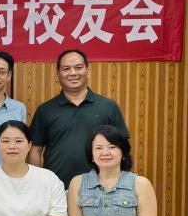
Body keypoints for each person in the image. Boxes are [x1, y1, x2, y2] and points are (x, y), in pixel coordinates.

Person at [28, 48, 129, 187]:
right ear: (58, 75)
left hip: (101, 188)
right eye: (66, 69)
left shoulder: (108, 106)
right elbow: (35, 150)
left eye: (78, 67)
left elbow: (123, 147)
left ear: (88, 71)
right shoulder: (45, 110)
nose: (73, 73)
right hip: (56, 188)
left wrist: (119, 183)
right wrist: (38, 183)